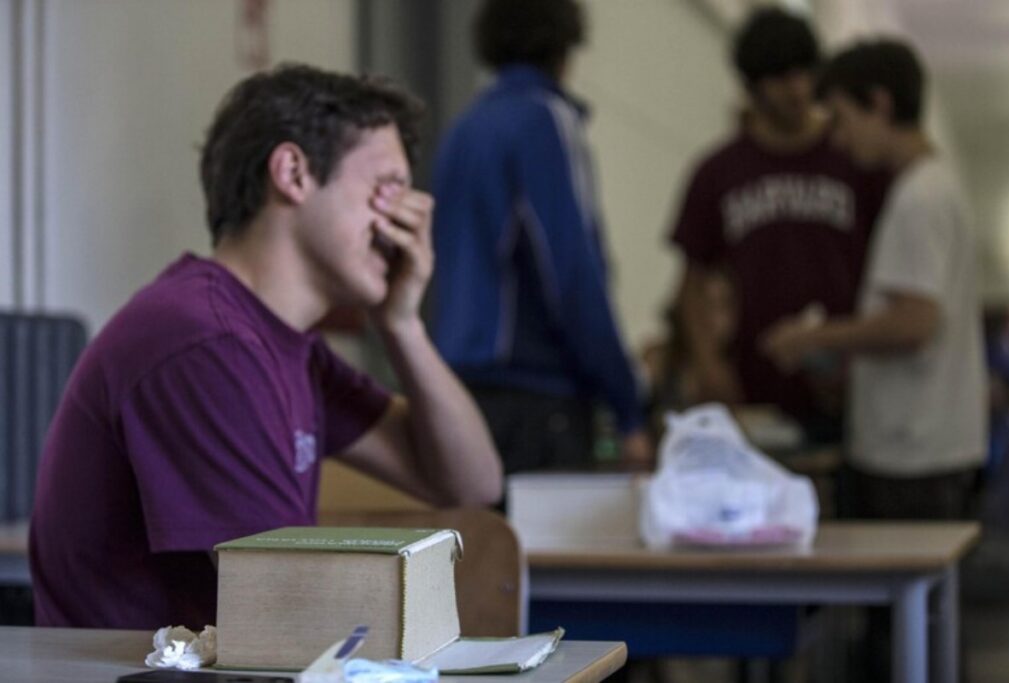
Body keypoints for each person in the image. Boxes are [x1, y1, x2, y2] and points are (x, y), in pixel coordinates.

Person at [29, 64, 503, 630]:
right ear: (293, 172)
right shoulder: (205, 342)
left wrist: (402, 325)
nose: (406, 223)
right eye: (388, 188)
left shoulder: (284, 345)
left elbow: (472, 482)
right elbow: (290, 606)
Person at [760, 38, 986, 519]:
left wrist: (812, 337)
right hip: (930, 447)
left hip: (913, 454)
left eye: (841, 119)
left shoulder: (918, 199)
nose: (838, 140)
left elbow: (914, 322)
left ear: (879, 103)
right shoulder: (936, 186)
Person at [430, 0, 651, 474]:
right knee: (544, 551)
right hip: (536, 401)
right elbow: (571, 273)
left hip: (460, 393)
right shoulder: (545, 121)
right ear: (566, 48)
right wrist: (628, 403)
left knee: (476, 548)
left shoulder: (461, 130)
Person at [668, 6, 888, 444]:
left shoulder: (853, 159)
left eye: (804, 74)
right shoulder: (719, 172)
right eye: (781, 78)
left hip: (845, 386)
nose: (798, 90)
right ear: (753, 86)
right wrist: (709, 364)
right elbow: (692, 279)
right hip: (754, 392)